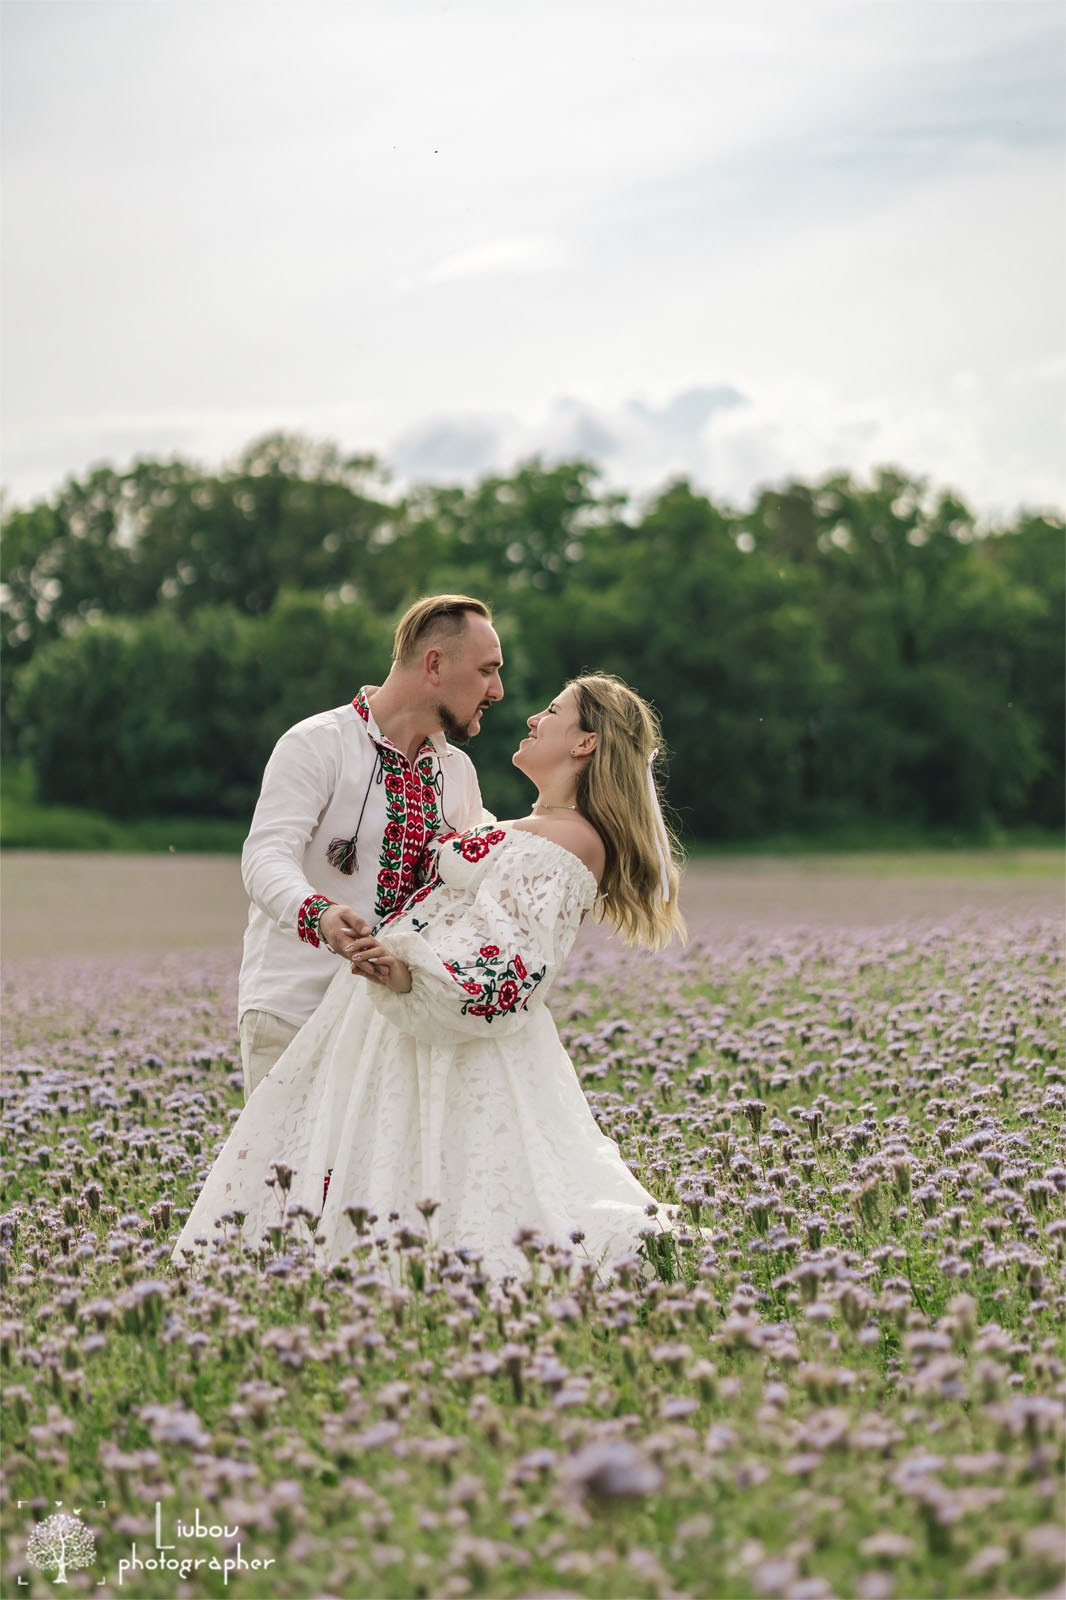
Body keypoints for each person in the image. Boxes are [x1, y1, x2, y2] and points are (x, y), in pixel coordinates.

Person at [173, 673, 686, 1281]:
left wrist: (413, 973)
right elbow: (271, 855)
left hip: (438, 1030)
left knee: (428, 1189)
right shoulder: (530, 824)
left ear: (585, 744)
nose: (524, 712)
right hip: (359, 1019)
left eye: (552, 711)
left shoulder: (561, 835)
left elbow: (510, 958)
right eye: (487, 670)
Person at [237, 594, 503, 1098]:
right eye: (488, 670)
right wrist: (320, 914)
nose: (499, 690)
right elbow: (265, 856)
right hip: (296, 1012)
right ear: (435, 664)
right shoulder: (317, 743)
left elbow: (474, 885)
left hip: (395, 1030)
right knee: (287, 1180)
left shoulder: (457, 773)